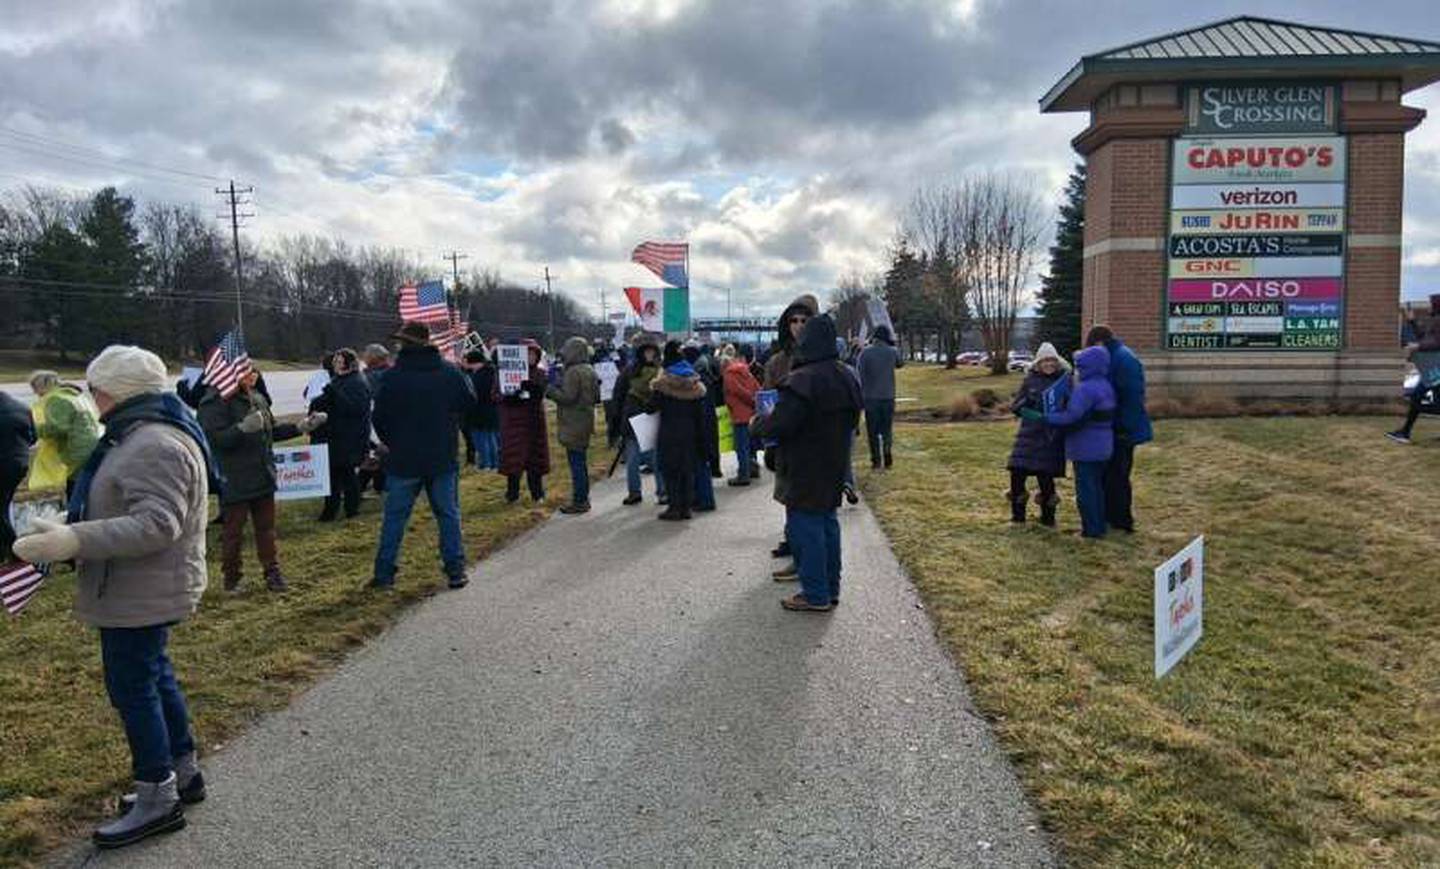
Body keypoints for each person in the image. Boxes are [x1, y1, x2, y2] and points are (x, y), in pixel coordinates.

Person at [15, 345, 224, 849]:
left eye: (95, 389)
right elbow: (128, 505)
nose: (91, 399)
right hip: (140, 586)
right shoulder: (140, 432)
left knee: (133, 688)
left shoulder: (154, 442)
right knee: (154, 676)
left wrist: (77, 540)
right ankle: (182, 770)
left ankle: (158, 796)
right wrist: (74, 524)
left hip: (143, 588)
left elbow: (157, 524)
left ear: (115, 392)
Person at [750, 314, 862, 612]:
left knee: (805, 528)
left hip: (803, 466)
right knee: (828, 525)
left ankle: (815, 594)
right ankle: (830, 588)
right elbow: (854, 420)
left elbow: (779, 425)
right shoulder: (847, 375)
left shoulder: (802, 380)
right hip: (834, 461)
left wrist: (757, 423)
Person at [371, 322, 477, 589]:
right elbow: (468, 402)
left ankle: (384, 575)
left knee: (395, 518)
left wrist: (392, 442)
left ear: (405, 345)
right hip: (441, 454)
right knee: (448, 515)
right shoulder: (448, 372)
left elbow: (379, 417)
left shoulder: (392, 377)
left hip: (403, 457)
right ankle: (455, 570)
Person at [199, 369, 325, 592]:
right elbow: (214, 439)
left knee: (266, 528)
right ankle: (232, 579)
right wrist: (241, 428)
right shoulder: (214, 402)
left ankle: (272, 573)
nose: (252, 374)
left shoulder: (256, 397)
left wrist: (300, 427)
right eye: (245, 369)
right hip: (235, 475)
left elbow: (270, 431)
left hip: (262, 472)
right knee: (233, 532)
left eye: (251, 369)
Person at [1022, 345, 1116, 538]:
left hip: (1086, 447)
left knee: (1086, 490)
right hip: (1105, 444)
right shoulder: (1106, 385)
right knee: (1098, 487)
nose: (1077, 368)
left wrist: (1044, 418)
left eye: (1080, 365)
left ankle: (1091, 531)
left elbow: (1072, 416)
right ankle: (1099, 525)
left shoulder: (1085, 389)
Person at [764, 294, 820, 566]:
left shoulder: (819, 357)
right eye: (793, 321)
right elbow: (767, 403)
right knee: (788, 495)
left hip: (814, 438)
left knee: (811, 503)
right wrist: (770, 441)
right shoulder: (777, 362)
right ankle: (793, 543)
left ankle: (806, 558)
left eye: (803, 320)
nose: (798, 325)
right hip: (785, 436)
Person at [1085, 325, 1152, 533]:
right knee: (1112, 476)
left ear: (1098, 343)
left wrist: (1122, 428)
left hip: (1122, 431)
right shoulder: (1118, 356)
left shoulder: (1122, 360)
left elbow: (1131, 398)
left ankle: (1122, 521)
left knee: (1118, 477)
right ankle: (1111, 517)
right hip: (1115, 428)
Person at [1006, 343, 1069, 526]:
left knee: (1045, 477)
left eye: (1052, 360)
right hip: (1028, 435)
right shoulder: (1030, 380)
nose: (1049, 364)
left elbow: (1070, 407)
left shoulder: (1064, 381)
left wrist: (1057, 417)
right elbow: (1016, 407)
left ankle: (1048, 519)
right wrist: (1029, 408)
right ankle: (1018, 517)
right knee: (1016, 473)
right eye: (1045, 360)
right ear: (1038, 363)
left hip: (1050, 436)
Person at [309, 348, 371, 522]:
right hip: (335, 436)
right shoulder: (338, 380)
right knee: (335, 476)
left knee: (346, 474)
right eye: (334, 361)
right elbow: (328, 400)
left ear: (349, 363)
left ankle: (350, 509)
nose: (335, 364)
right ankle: (332, 510)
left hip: (349, 437)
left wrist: (332, 393)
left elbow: (355, 409)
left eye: (339, 361)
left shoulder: (357, 382)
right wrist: (316, 404)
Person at [652, 340, 707, 521]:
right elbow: (700, 413)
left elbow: (651, 407)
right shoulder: (695, 383)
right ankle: (686, 508)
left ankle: (674, 507)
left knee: (670, 469)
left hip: (669, 431)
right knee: (687, 469)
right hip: (690, 431)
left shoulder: (662, 383)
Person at [547, 336, 600, 514]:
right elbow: (597, 397)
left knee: (576, 463)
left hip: (573, 421)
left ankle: (580, 500)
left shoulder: (573, 372)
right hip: (585, 420)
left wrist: (551, 390)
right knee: (581, 462)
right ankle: (583, 497)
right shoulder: (589, 369)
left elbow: (567, 397)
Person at [30, 370, 100, 499]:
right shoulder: (74, 396)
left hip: (76, 451)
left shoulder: (56, 398)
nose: (35, 393)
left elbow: (58, 428)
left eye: (34, 388)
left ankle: (75, 516)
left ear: (41, 386)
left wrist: (34, 429)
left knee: (75, 491)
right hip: (90, 446)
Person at [497, 340, 550, 503]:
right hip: (513, 422)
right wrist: (510, 397)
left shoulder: (540, 374)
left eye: (533, 354)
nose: (530, 357)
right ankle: (512, 494)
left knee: (535, 461)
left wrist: (534, 391)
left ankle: (537, 493)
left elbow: (543, 392)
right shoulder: (504, 374)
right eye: (527, 354)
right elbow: (495, 394)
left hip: (534, 423)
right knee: (514, 461)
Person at [1387, 295, 1440, 444]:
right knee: (1416, 397)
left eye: (1431, 304)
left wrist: (1417, 346)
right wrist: (1411, 320)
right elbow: (1425, 337)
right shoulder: (1435, 321)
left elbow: (1436, 343)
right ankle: (1405, 433)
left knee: (1435, 405)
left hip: (1436, 371)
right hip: (1430, 371)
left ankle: (1405, 432)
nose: (1429, 306)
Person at [619, 336, 665, 506]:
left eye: (652, 351)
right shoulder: (635, 371)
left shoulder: (633, 371)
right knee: (634, 459)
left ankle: (660, 492)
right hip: (636, 418)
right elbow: (620, 396)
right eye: (647, 351)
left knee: (655, 458)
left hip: (649, 418)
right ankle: (636, 492)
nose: (649, 354)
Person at [857, 324, 904, 469]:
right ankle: (887, 452)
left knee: (872, 431)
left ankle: (876, 460)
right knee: (887, 429)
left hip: (870, 397)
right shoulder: (892, 352)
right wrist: (894, 345)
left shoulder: (865, 353)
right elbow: (900, 364)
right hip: (888, 396)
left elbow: (860, 373)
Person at [0, 390, 34, 557]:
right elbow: (33, 436)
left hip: (3, 462)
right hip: (19, 462)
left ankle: (14, 551)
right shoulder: (21, 406)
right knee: (4, 505)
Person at [723, 344, 761, 487]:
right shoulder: (747, 373)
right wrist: (755, 403)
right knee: (749, 445)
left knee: (741, 447)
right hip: (750, 414)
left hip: (738, 415)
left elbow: (735, 391)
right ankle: (752, 470)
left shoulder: (730, 373)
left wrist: (750, 400)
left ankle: (743, 475)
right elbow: (758, 389)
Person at [464, 348, 501, 469]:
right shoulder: (492, 372)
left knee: (482, 440)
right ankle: (494, 463)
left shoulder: (479, 376)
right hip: (491, 412)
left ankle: (486, 464)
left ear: (474, 363)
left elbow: (475, 395)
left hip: (480, 413)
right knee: (491, 439)